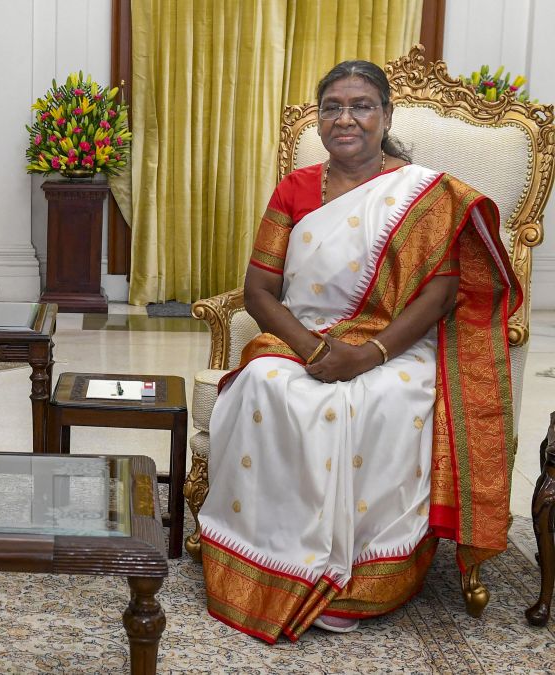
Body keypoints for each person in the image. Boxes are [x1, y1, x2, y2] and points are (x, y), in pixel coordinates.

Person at [197, 60, 520, 642]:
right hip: (306, 335)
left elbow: (444, 292)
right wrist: (311, 348)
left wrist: (368, 355)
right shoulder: (295, 189)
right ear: (318, 121)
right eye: (332, 107)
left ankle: (363, 578)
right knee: (267, 384)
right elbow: (259, 290)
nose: (345, 118)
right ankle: (272, 560)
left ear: (386, 116)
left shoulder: (425, 194)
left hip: (396, 343)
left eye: (361, 105)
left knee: (387, 401)